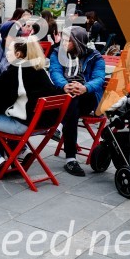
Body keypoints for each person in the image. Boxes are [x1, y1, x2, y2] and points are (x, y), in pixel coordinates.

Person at [0, 37, 60, 178]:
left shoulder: (13, 72)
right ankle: (22, 151)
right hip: (43, 124)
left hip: (24, 125)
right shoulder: (40, 70)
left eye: (9, 50)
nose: (7, 53)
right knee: (6, 114)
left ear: (18, 54)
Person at [49, 27, 106, 177]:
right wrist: (65, 85)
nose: (62, 42)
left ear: (77, 41)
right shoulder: (57, 53)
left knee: (73, 99)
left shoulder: (95, 57)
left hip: (88, 97)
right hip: (66, 95)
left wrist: (85, 87)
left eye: (68, 39)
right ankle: (70, 158)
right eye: (63, 38)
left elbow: (99, 79)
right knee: (72, 103)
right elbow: (54, 72)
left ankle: (61, 130)